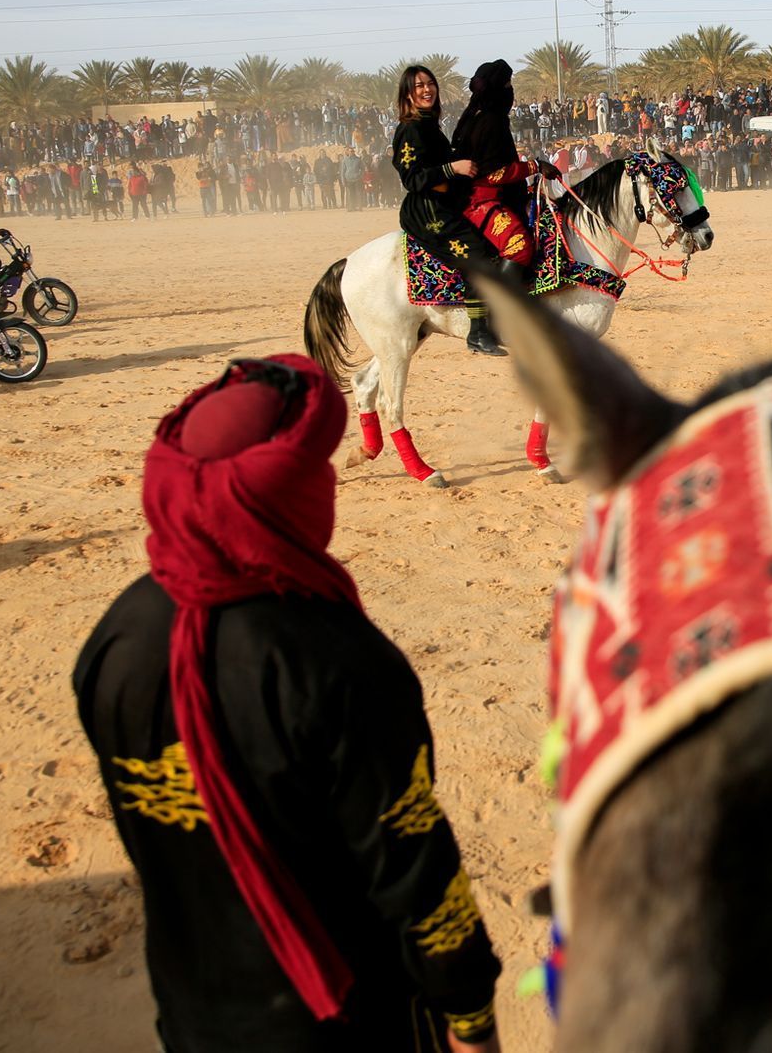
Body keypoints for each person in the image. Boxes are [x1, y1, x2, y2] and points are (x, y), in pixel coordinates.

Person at [73, 356, 504, 1053]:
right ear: (289, 495)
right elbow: (410, 864)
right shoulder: (335, 660)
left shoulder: (117, 636)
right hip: (340, 1018)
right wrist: (471, 1017)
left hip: (192, 1009)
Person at [392, 66, 504, 355]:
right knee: (477, 255)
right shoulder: (411, 128)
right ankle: (478, 333)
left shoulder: (430, 125)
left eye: (430, 84)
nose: (427, 90)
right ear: (408, 93)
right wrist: (452, 168)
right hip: (427, 211)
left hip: (444, 204)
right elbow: (412, 178)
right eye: (419, 86)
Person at [449, 60, 549, 273]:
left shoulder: (482, 116)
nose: (510, 90)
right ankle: (503, 305)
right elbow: (495, 173)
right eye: (507, 85)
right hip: (480, 198)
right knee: (519, 246)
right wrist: (536, 166)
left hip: (493, 194)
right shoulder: (491, 121)